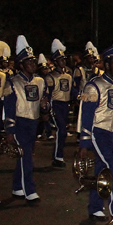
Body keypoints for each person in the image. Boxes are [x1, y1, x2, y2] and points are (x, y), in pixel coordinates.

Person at [78, 33, 113, 218]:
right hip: (98, 132)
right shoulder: (93, 85)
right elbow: (86, 115)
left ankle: (95, 206)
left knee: (102, 168)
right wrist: (84, 143)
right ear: (107, 64)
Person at [4, 35, 47, 202]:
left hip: (33, 122)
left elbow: (44, 103)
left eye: (33, 62)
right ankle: (29, 189)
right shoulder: (13, 82)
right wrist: (10, 131)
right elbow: (9, 109)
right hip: (20, 122)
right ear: (21, 65)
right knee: (26, 156)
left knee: (26, 155)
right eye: (28, 62)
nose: (33, 65)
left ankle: (17, 187)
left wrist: (45, 107)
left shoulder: (40, 81)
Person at [46, 39, 73, 168]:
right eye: (61, 60)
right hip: (55, 104)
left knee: (63, 130)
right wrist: (46, 109)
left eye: (64, 59)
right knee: (61, 130)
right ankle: (57, 157)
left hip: (65, 105)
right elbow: (47, 95)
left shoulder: (68, 75)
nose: (64, 62)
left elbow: (71, 91)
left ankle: (58, 155)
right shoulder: (50, 77)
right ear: (55, 61)